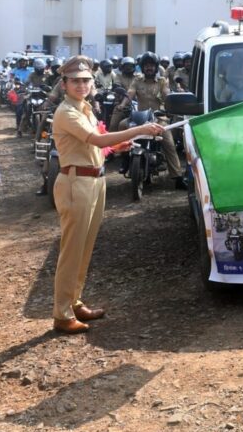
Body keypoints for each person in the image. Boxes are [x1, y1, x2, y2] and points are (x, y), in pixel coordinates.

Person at [51, 56, 165, 334]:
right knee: (72, 250)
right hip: (76, 182)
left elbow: (96, 147)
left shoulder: (85, 108)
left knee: (85, 247)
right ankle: (62, 313)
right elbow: (97, 139)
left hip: (94, 180)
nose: (82, 85)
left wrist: (117, 147)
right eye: (75, 81)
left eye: (86, 80)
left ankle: (74, 301)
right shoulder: (67, 112)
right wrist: (140, 130)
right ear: (64, 84)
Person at [125, 52, 182, 184]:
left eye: (151, 65)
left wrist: (170, 105)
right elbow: (130, 93)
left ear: (156, 67)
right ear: (142, 67)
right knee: (122, 127)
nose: (149, 68)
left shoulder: (162, 81)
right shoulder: (137, 80)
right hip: (140, 118)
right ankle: (125, 161)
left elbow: (166, 95)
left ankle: (177, 176)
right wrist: (122, 104)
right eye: (146, 65)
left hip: (158, 118)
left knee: (169, 143)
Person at [108, 57, 139, 131]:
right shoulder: (118, 76)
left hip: (137, 105)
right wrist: (119, 89)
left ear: (134, 66)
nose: (129, 68)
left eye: (130, 66)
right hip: (121, 105)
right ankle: (111, 137)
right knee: (113, 125)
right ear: (122, 67)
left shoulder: (138, 77)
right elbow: (117, 85)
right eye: (126, 66)